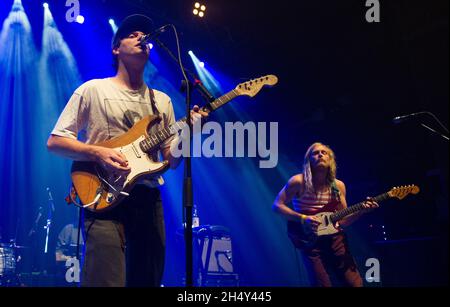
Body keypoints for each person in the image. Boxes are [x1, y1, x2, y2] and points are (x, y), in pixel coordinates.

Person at [47, 14, 208, 287]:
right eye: (131, 34)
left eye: (143, 36)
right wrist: (98, 153)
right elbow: (56, 142)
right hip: (102, 194)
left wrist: (189, 132)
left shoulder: (162, 101)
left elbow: (172, 160)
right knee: (106, 280)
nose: (140, 38)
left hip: (147, 199)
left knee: (147, 278)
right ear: (116, 48)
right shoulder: (93, 89)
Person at [272, 142, 378, 287]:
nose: (320, 154)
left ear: (331, 160)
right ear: (308, 160)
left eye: (324, 152)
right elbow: (277, 206)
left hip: (335, 240)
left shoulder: (338, 186)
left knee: (354, 284)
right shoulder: (298, 181)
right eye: (315, 153)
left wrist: (361, 212)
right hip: (310, 240)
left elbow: (343, 221)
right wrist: (303, 219)